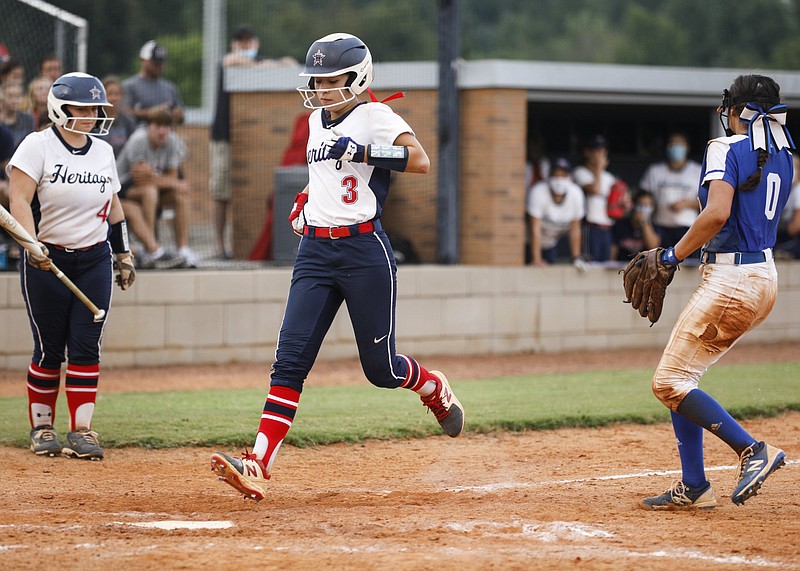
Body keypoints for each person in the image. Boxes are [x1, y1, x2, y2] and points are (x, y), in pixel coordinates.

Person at [210, 33, 465, 501]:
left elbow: (421, 161)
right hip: (314, 252)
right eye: (318, 79)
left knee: (381, 369)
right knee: (289, 361)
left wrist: (364, 151)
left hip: (364, 252)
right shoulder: (313, 120)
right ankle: (258, 462)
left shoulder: (375, 115)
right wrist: (305, 203)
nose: (323, 89)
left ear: (358, 77)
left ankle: (431, 385)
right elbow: (324, 179)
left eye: (332, 80)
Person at [640, 74, 791, 510]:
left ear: (737, 109)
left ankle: (752, 450)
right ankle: (694, 485)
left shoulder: (724, 147)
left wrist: (672, 255)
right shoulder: (783, 152)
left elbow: (716, 214)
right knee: (682, 379)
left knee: (669, 381)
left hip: (733, 280)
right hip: (763, 277)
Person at [6, 72, 135, 460]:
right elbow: (18, 201)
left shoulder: (102, 150)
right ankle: (42, 427)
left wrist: (123, 253)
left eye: (96, 108)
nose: (93, 115)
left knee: (86, 346)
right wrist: (32, 246)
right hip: (46, 260)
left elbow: (113, 206)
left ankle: (82, 431)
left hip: (93, 258)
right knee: (49, 349)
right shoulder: (36, 146)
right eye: (84, 108)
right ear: (60, 108)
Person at [209, 25, 298, 259]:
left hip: (245, 142)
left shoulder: (260, 61)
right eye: (241, 41)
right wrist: (263, 66)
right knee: (221, 192)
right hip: (223, 137)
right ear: (233, 43)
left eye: (248, 41)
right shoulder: (228, 61)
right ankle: (219, 246)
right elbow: (230, 61)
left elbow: (290, 63)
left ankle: (231, 246)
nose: (245, 45)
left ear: (256, 43)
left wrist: (270, 65)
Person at [115, 108, 189, 269]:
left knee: (180, 195)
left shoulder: (173, 140)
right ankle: (152, 248)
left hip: (153, 188)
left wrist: (157, 178)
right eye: (157, 126)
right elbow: (140, 179)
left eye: (166, 126)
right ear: (149, 126)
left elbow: (173, 177)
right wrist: (169, 181)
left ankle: (183, 249)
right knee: (150, 191)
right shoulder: (138, 140)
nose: (162, 131)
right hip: (124, 190)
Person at [639, 132, 703, 257]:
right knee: (660, 265)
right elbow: (643, 196)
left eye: (679, 144)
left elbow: (709, 201)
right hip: (661, 227)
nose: (675, 147)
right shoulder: (655, 171)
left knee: (687, 266)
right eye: (672, 144)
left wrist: (687, 203)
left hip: (688, 228)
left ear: (687, 147)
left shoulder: (697, 170)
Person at [526, 156, 584, 266]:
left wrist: (576, 258)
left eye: (563, 175)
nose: (559, 180)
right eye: (556, 175)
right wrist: (536, 259)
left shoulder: (576, 194)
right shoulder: (538, 191)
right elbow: (535, 228)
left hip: (551, 243)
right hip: (530, 244)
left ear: (570, 177)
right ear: (549, 176)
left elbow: (575, 229)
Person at [572, 134, 618, 262]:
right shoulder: (580, 172)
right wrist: (599, 168)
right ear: (587, 152)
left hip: (607, 227)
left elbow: (618, 203)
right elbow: (595, 189)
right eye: (596, 150)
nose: (600, 154)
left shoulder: (609, 177)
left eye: (602, 150)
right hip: (590, 227)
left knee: (606, 265)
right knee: (592, 265)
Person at [123, 41, 184, 126]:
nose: (159, 66)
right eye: (155, 62)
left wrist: (178, 114)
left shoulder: (170, 87)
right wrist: (149, 113)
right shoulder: (130, 86)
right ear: (142, 60)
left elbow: (180, 117)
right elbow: (123, 113)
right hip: (138, 133)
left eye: (161, 63)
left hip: (165, 134)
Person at [613, 190, 660, 261]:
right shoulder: (621, 224)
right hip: (623, 266)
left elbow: (652, 247)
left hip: (644, 267)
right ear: (634, 205)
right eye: (641, 204)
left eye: (647, 205)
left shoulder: (655, 226)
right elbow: (613, 250)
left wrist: (644, 222)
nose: (644, 209)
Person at [101, 75, 137, 157]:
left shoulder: (128, 122)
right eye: (110, 94)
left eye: (117, 94)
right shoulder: (95, 121)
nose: (114, 98)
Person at [1, 80, 35, 149]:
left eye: (17, 96)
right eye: (10, 96)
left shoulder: (28, 118)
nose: (14, 100)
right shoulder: (1, 120)